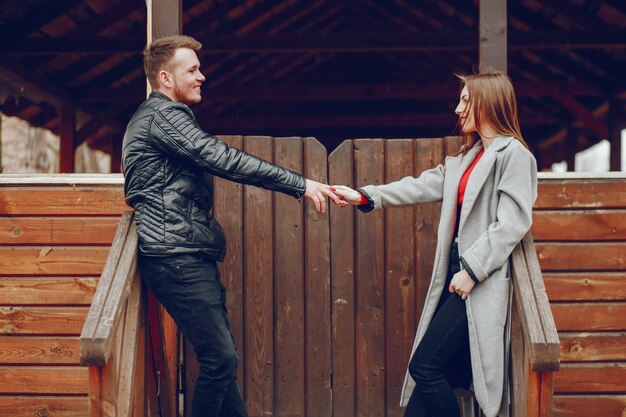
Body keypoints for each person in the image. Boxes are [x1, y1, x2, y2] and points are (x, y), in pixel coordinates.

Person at [122, 35, 339, 417]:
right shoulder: (163, 117)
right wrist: (300, 184)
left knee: (223, 360)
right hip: (176, 255)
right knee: (220, 359)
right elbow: (221, 158)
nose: (202, 76)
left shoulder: (163, 118)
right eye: (192, 70)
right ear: (165, 78)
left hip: (186, 252)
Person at [333, 72, 537, 417]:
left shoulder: (514, 156)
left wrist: (472, 270)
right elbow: (420, 185)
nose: (457, 109)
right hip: (455, 278)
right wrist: (366, 196)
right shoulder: (468, 158)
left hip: (478, 282)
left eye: (466, 101)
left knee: (425, 367)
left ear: (488, 103)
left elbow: (512, 223)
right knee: (427, 387)